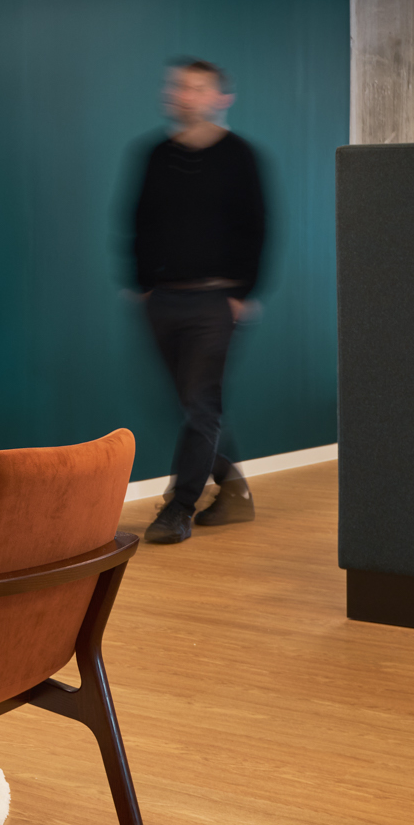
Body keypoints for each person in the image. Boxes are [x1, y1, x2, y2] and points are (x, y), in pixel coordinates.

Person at [128, 59, 266, 545]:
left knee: (201, 404)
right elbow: (137, 218)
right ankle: (233, 492)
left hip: (215, 301)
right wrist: (142, 284)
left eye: (195, 86)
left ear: (219, 98)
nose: (182, 93)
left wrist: (243, 293)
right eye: (177, 85)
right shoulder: (154, 154)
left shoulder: (240, 156)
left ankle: (178, 508)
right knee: (194, 406)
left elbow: (257, 227)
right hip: (163, 300)